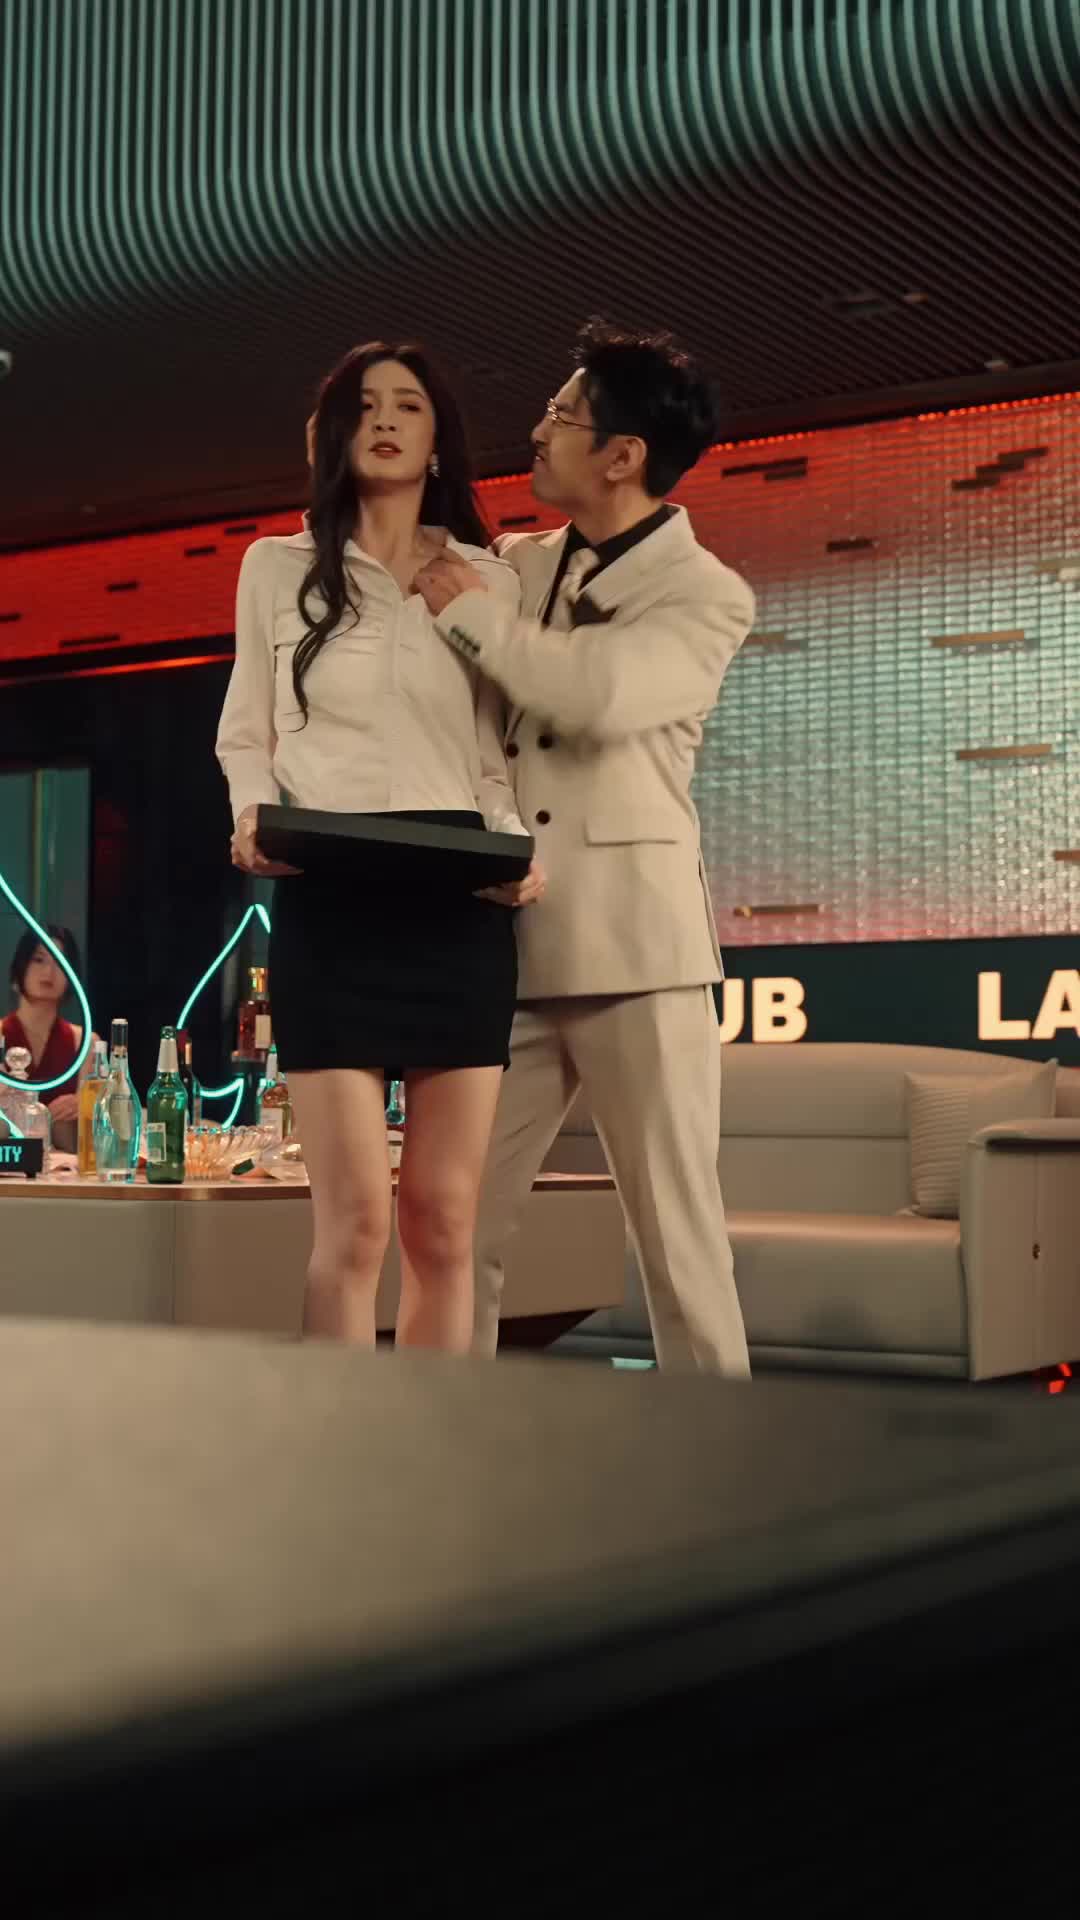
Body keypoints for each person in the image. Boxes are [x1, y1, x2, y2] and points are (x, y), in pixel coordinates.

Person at [415, 319, 753, 1375]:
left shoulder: (708, 594)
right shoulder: (520, 564)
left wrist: (475, 619)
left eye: (562, 415)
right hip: (510, 947)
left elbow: (597, 694)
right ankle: (439, 1442)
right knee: (452, 1228)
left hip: (638, 955)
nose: (539, 429)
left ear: (623, 455)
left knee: (679, 1246)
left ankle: (724, 1457)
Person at [216, 342, 543, 1353]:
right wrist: (251, 812)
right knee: (354, 1224)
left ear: (439, 438)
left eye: (408, 405)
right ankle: (340, 1437)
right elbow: (246, 730)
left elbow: (497, 751)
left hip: (458, 900)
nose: (387, 421)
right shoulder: (275, 567)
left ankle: (432, 1442)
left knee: (443, 1224)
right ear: (334, 435)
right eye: (365, 407)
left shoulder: (489, 578)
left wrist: (515, 850)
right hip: (331, 891)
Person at [3, 926, 90, 1152]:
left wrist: (83, 1105)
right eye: (39, 959)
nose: (49, 971)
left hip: (65, 1161)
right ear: (19, 970)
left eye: (60, 962)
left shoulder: (84, 1042)